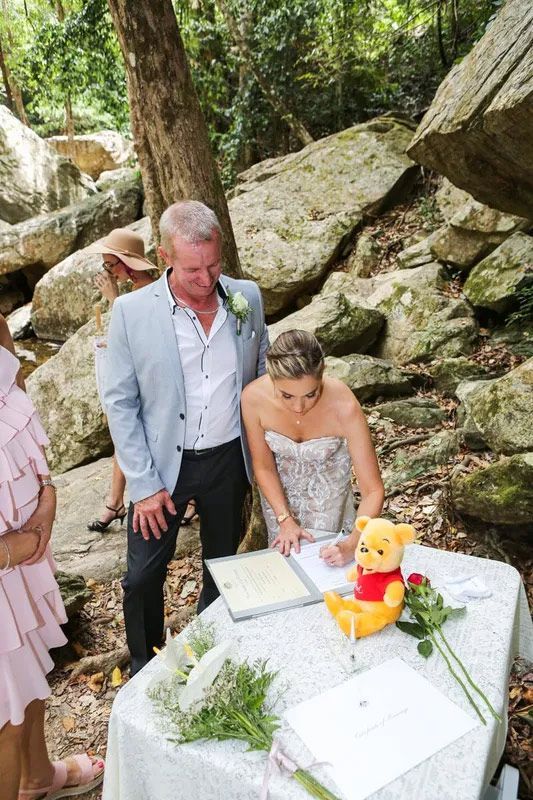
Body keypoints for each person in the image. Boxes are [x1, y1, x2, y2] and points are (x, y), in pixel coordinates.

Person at [103, 200, 269, 675]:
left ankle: (208, 652)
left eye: (214, 264)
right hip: (159, 469)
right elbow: (120, 403)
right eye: (193, 268)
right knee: (141, 577)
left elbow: (259, 376)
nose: (206, 278)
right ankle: (145, 666)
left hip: (226, 460)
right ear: (164, 255)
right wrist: (143, 484)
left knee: (222, 564)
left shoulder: (247, 298)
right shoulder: (131, 313)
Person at [0, 315, 104, 800]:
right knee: (4, 719)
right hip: (6, 561)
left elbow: (16, 412)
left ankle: (36, 778)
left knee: (31, 667)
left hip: (26, 559)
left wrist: (45, 497)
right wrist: (7, 549)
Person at [85, 228, 198, 532]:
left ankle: (118, 502)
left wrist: (112, 299)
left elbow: (145, 343)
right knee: (124, 436)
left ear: (125, 263)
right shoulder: (135, 290)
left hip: (150, 386)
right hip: (137, 377)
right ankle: (114, 501)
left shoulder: (143, 290)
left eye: (110, 265)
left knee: (132, 433)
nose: (108, 272)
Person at [241, 329, 384, 564]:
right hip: (279, 508)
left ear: (322, 374)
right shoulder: (253, 398)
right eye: (286, 396)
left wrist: (352, 544)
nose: (299, 407)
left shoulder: (344, 406)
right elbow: (264, 467)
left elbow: (373, 490)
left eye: (311, 394)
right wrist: (284, 519)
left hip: (331, 511)